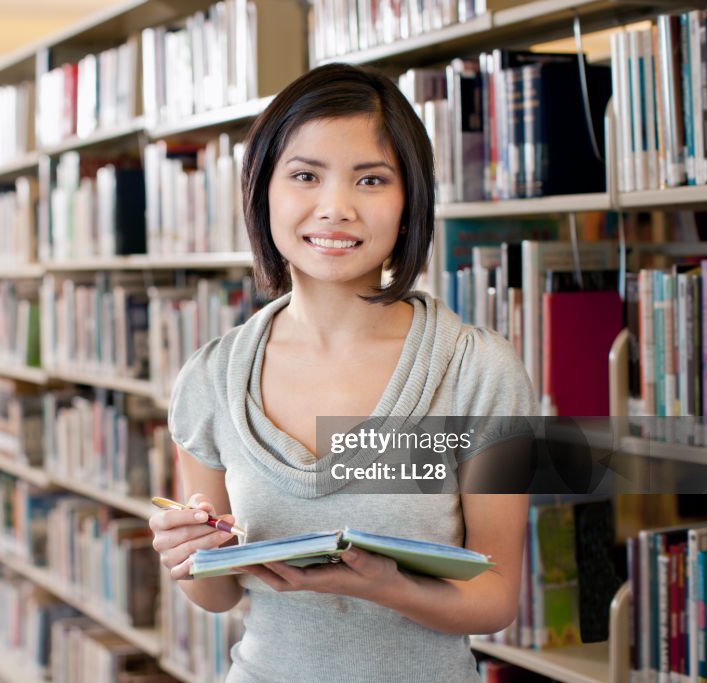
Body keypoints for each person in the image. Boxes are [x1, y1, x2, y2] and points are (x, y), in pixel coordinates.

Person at [149, 63, 536, 682]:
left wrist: (386, 586)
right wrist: (188, 556)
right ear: (263, 191)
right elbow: (220, 596)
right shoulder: (210, 378)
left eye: (371, 179)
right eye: (305, 176)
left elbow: (495, 599)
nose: (336, 208)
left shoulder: (480, 371)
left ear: (410, 200)